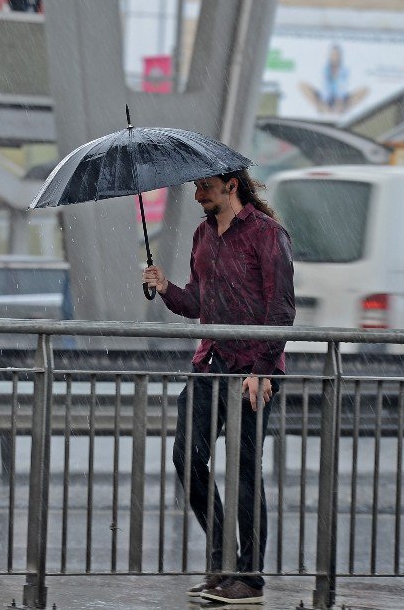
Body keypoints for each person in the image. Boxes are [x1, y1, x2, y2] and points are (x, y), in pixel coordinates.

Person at [142, 170, 295, 605]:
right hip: (210, 365)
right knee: (186, 458)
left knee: (246, 472)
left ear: (232, 184)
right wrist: (166, 288)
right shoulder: (202, 235)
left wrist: (263, 368)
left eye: (204, 186)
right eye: (194, 186)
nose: (196, 194)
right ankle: (222, 559)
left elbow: (281, 307)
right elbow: (199, 303)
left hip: (253, 371)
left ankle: (249, 578)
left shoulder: (268, 235)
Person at [298, 43, 370, 115]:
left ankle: (343, 110)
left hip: (341, 100)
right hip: (326, 98)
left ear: (340, 57)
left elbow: (343, 87)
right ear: (330, 56)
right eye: (333, 55)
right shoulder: (325, 69)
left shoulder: (344, 70)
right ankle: (322, 108)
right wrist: (324, 104)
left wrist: (340, 102)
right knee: (302, 85)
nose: (335, 57)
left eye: (337, 55)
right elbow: (324, 87)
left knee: (365, 90)